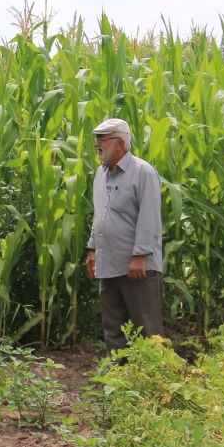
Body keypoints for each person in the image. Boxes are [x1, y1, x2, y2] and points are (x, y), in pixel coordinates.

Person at [84, 116, 164, 349]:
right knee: (114, 330)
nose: (97, 144)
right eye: (96, 139)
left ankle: (155, 379)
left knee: (147, 330)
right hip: (108, 264)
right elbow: (100, 215)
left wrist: (140, 255)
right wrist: (92, 249)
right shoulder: (101, 174)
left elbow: (149, 218)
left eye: (102, 139)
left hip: (137, 268)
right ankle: (118, 380)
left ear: (120, 143)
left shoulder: (143, 172)